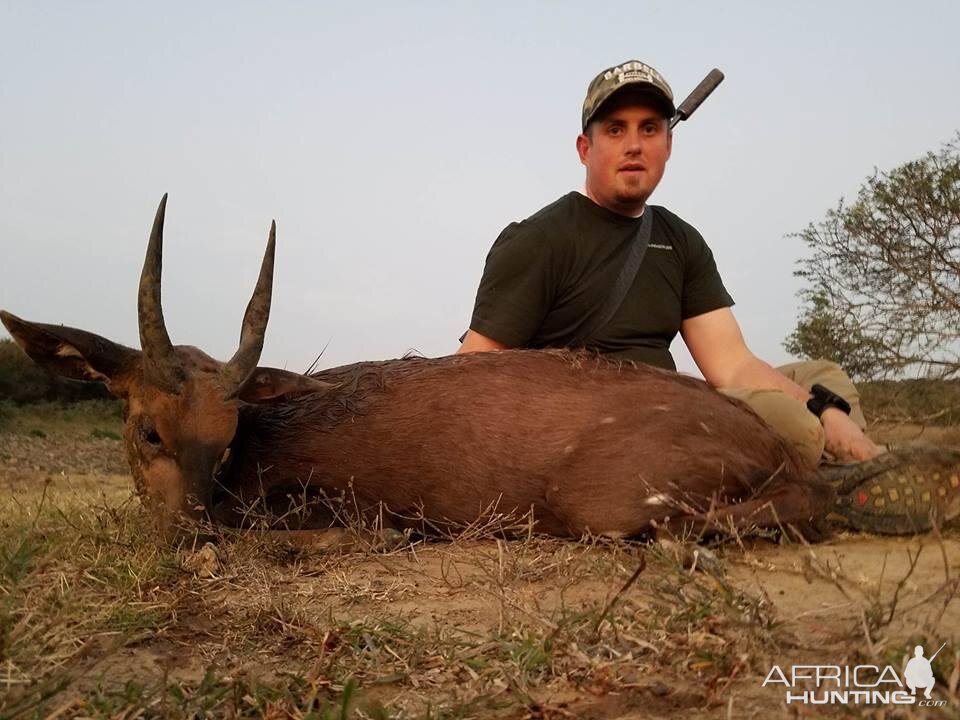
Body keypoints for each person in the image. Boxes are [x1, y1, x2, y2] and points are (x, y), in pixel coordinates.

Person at [458, 59, 882, 468]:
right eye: (615, 130)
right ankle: (831, 470)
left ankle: (835, 464)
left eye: (649, 128)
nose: (634, 145)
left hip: (676, 406)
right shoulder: (539, 239)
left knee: (824, 377)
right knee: (796, 424)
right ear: (585, 149)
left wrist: (824, 407)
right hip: (602, 434)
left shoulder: (679, 241)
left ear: (668, 144)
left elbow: (731, 364)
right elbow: (471, 371)